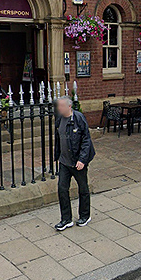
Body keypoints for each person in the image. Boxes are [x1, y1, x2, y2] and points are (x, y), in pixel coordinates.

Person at [53, 96, 95, 231]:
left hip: (78, 161)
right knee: (62, 189)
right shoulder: (59, 119)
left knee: (83, 188)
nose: (59, 108)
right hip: (64, 162)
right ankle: (66, 219)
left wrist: (82, 160)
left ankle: (85, 215)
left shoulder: (78, 118)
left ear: (69, 106)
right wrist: (58, 156)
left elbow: (86, 140)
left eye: (61, 106)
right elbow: (59, 139)